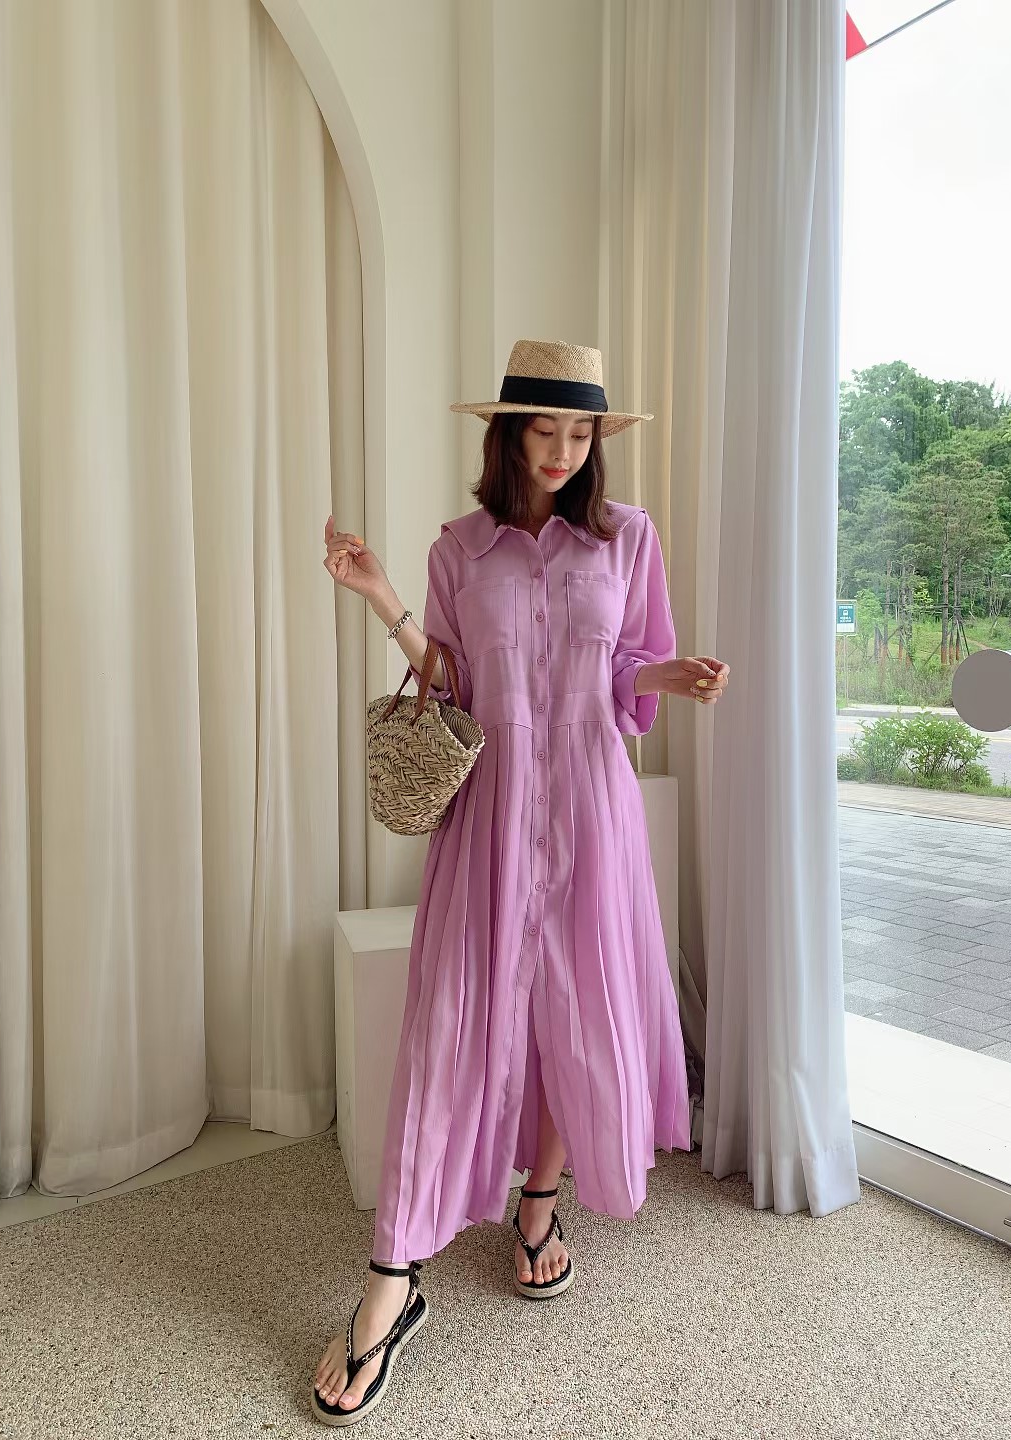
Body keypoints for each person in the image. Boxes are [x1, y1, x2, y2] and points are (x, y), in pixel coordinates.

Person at [312, 339, 730, 1425]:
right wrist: (380, 595)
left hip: (593, 811)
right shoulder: (460, 548)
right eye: (544, 428)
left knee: (577, 1018)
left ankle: (538, 1204)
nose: (563, 450)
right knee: (451, 1028)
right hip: (490, 816)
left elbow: (626, 669)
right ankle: (392, 1280)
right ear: (507, 434)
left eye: (581, 431)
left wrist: (672, 675)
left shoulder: (628, 537)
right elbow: (450, 679)